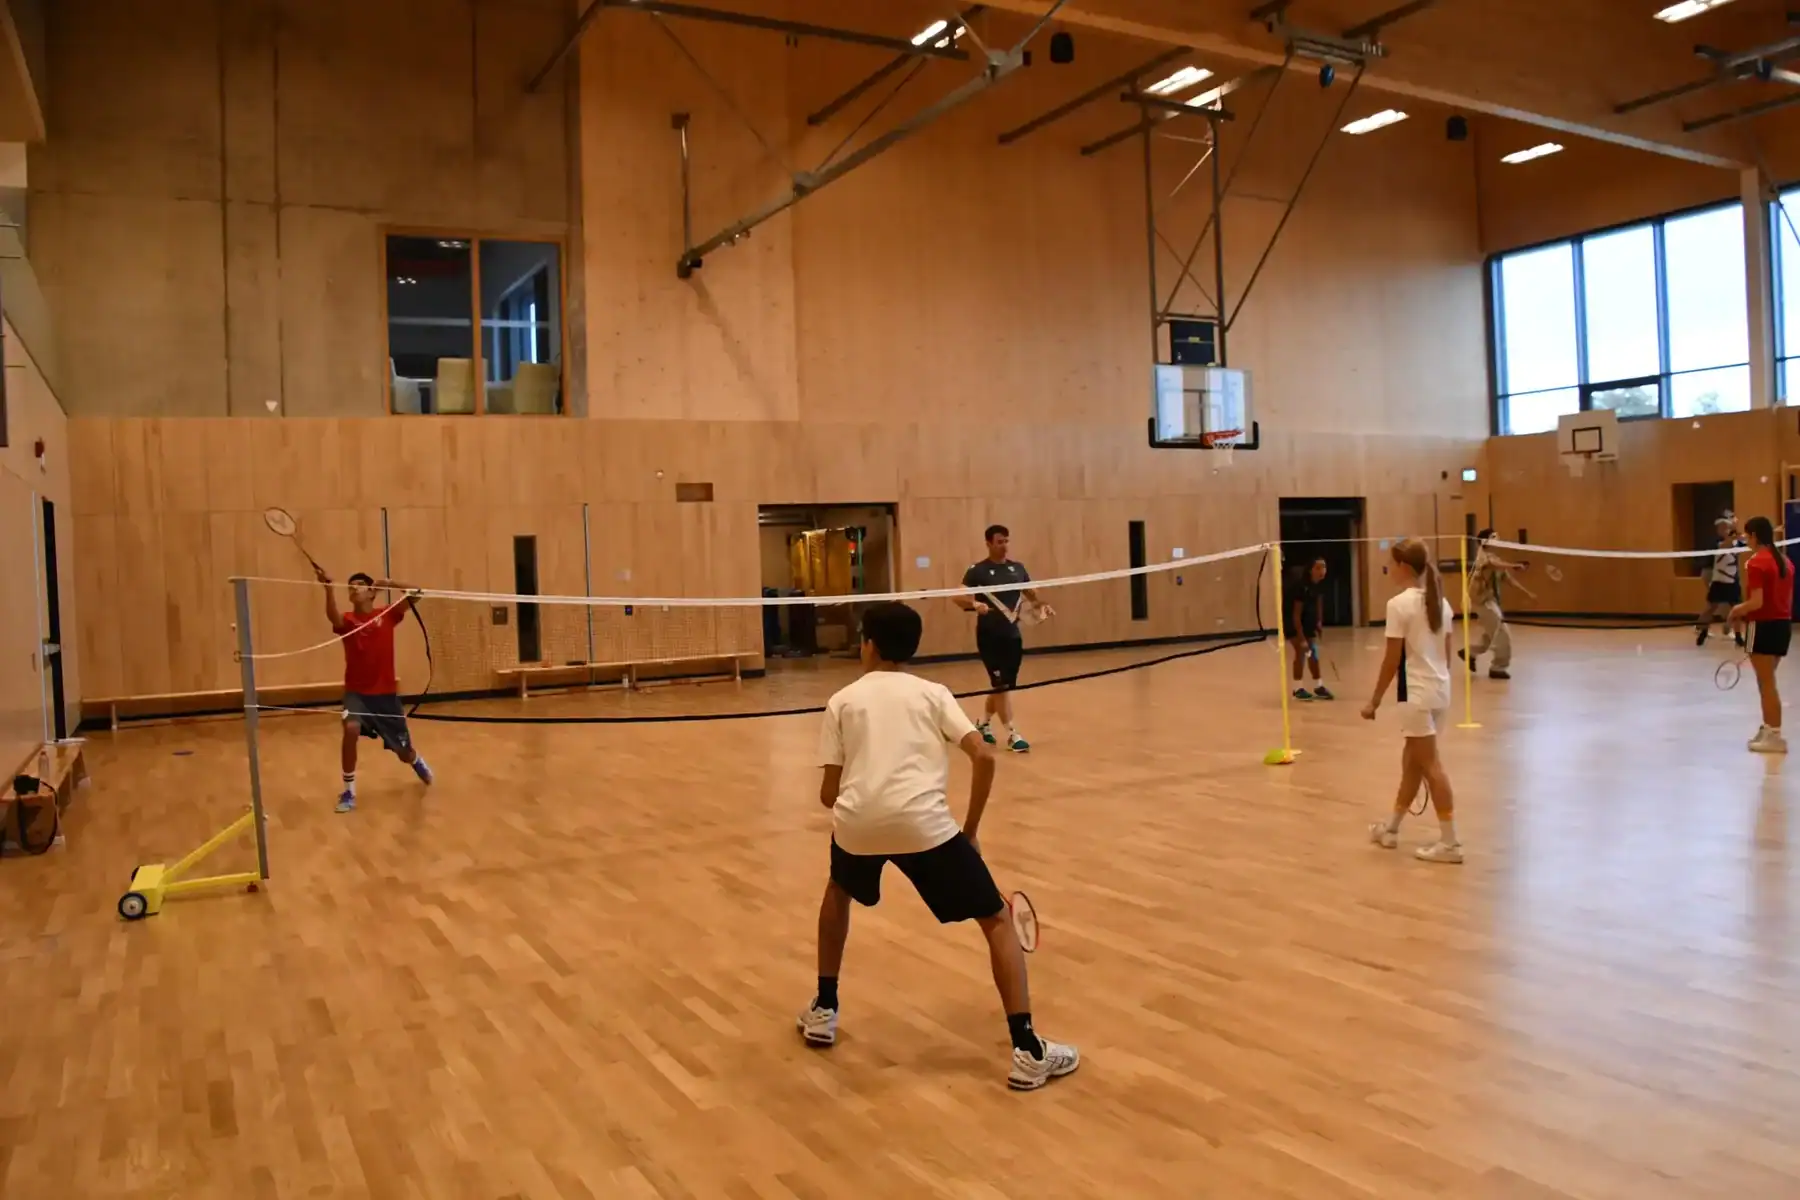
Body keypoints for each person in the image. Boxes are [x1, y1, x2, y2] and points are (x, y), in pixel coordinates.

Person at [796, 601, 1079, 1091]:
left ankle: (824, 1009)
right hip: (927, 826)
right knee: (995, 919)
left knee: (838, 891)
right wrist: (969, 831)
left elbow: (827, 795)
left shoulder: (842, 700)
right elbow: (984, 757)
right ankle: (1028, 1050)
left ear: (869, 644)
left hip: (857, 825)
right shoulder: (934, 693)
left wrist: (865, 800)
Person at [1362, 539, 1462, 864]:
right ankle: (1390, 830)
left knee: (1430, 766)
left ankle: (1450, 843)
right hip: (1439, 693)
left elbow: (1392, 660)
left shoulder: (1398, 605)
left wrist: (1374, 701)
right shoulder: (1442, 604)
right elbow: (1446, 658)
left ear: (1403, 566)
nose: (1389, 569)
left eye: (1391, 563)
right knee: (1413, 764)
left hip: (1415, 695)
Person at [316, 567, 433, 812]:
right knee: (351, 728)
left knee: (404, 752)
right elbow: (333, 618)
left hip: (386, 696)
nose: (354, 588)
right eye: (351, 586)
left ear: (371, 592)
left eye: (359, 584)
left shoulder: (388, 615)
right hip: (356, 694)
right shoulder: (348, 621)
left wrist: (389, 582)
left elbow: (417, 593)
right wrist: (328, 589)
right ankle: (348, 792)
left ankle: (415, 759)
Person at [956, 525, 1053, 752]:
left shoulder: (1017, 569)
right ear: (989, 543)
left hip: (1013, 636)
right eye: (999, 542)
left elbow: (1031, 593)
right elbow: (956, 596)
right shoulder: (977, 571)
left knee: (1003, 686)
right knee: (1000, 686)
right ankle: (1012, 733)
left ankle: (984, 724)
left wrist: (1042, 606)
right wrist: (973, 604)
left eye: (1006, 541)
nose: (1004, 546)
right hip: (989, 636)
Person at [1728, 515, 1792, 754]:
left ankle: (1774, 735)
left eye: (1746, 535)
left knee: (1766, 684)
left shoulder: (1756, 563)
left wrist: (1736, 610)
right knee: (1767, 682)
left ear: (1754, 536)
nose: (1745, 539)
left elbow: (1756, 602)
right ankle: (1768, 728)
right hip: (1782, 626)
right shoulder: (1785, 561)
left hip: (1763, 626)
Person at [1461, 529, 1526, 681]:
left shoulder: (1497, 559)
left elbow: (1508, 579)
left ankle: (1469, 652)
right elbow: (1493, 564)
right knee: (1502, 632)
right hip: (1482, 601)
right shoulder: (1482, 556)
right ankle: (1498, 667)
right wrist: (1513, 565)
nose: (1498, 538)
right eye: (1494, 537)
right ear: (1485, 541)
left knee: (1490, 635)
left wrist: (1527, 593)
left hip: (1491, 601)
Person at [1285, 556, 1332, 701]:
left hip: (1308, 623)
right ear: (1310, 570)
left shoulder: (1318, 585)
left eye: (1323, 567)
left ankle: (1318, 686)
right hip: (1294, 624)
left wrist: (1318, 621)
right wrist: (1301, 638)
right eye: (1318, 567)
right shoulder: (1300, 587)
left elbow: (1318, 603)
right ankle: (1297, 688)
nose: (1322, 570)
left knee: (1313, 655)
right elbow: (1295, 615)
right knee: (1301, 651)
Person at [1696, 514, 1745, 649]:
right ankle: (1703, 632)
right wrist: (1735, 534)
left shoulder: (1738, 542)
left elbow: (1747, 541)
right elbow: (1725, 546)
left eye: (1725, 527)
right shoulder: (1716, 542)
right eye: (1721, 527)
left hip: (1732, 581)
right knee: (1710, 608)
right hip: (1719, 581)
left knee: (1737, 609)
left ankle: (1739, 637)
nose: (1723, 529)